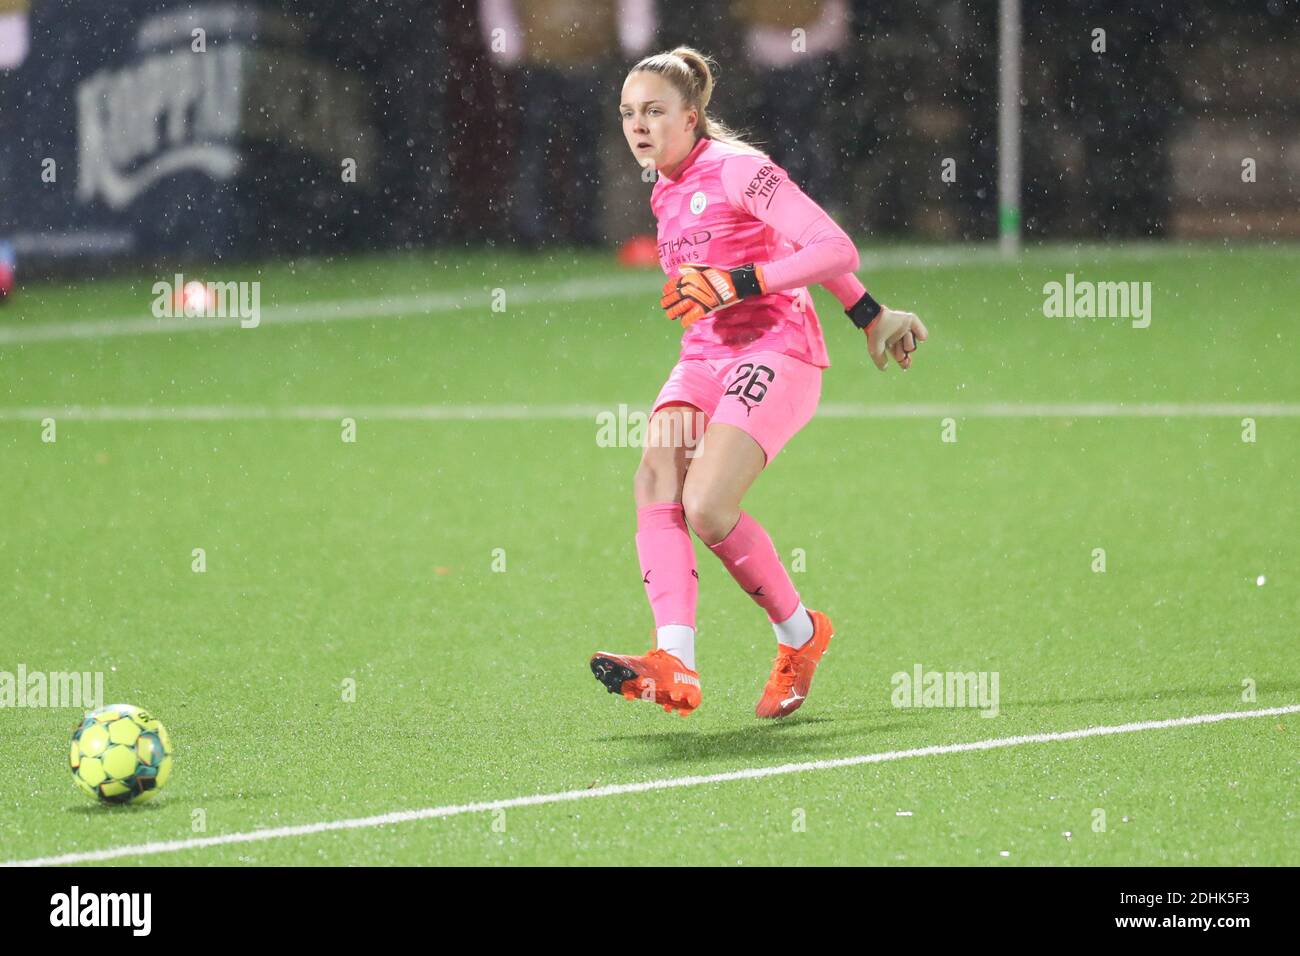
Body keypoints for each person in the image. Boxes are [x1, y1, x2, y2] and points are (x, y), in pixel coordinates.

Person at [590, 46, 928, 718]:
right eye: (629, 113)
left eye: (654, 111)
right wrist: (869, 312)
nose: (639, 125)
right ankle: (674, 662)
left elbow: (832, 246)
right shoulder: (665, 186)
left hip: (779, 350)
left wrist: (742, 283)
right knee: (656, 478)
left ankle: (800, 638)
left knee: (708, 507)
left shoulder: (740, 170)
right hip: (705, 354)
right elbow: (784, 248)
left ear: (691, 117)